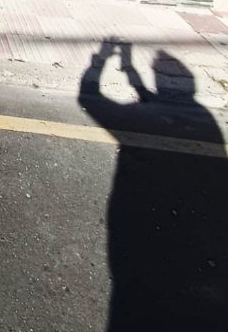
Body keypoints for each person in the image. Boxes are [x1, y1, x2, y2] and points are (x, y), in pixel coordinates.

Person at [79, 41, 228, 331]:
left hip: (140, 255)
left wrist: (101, 61)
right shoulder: (204, 121)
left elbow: (88, 99)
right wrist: (129, 69)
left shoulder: (182, 120)